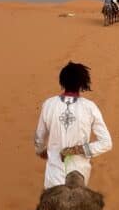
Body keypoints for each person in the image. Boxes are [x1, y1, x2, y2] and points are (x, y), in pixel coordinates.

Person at [34, 61, 112, 189]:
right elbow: (106, 143)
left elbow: (39, 139)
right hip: (79, 177)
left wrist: (41, 151)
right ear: (82, 83)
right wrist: (77, 150)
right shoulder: (90, 107)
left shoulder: (49, 104)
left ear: (62, 81)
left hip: (54, 176)